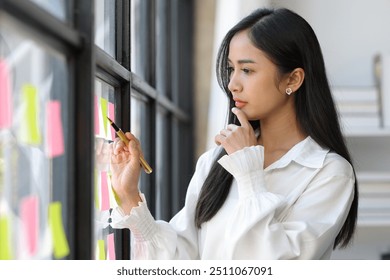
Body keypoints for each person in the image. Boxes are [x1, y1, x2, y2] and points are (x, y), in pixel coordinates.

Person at [109, 7, 358, 259]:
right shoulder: (215, 161)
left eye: (247, 70)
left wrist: (249, 173)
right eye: (231, 69)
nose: (232, 84)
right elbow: (180, 259)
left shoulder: (330, 173)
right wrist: (129, 196)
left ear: (292, 80)